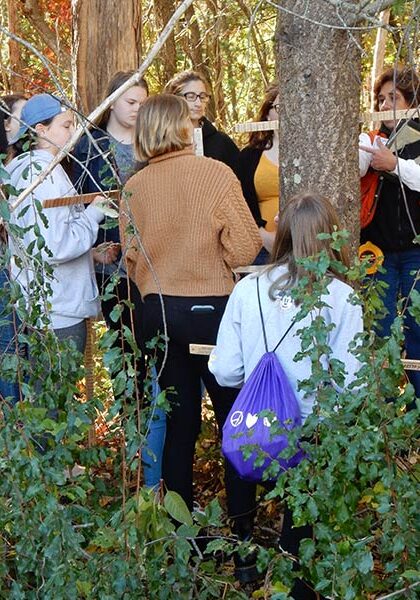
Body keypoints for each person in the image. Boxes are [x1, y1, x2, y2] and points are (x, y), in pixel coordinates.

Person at [120, 94, 261, 579]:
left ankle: (185, 548)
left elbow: (131, 257)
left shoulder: (134, 186)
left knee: (180, 427)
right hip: (213, 314)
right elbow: (244, 246)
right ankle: (245, 549)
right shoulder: (215, 174)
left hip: (157, 314)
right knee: (234, 422)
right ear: (181, 128)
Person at [209, 192, 363, 597]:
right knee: (304, 505)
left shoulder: (248, 290)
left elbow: (224, 371)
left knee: (241, 439)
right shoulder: (341, 297)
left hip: (258, 431)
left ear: (282, 236)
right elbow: (354, 385)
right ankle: (298, 578)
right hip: (309, 434)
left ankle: (243, 555)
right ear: (330, 237)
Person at [72, 72, 164, 487]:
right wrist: (92, 250)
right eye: (131, 102)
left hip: (153, 265)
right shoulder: (88, 148)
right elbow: (72, 207)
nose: (138, 109)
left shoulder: (153, 144)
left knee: (153, 350)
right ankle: (133, 438)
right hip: (111, 269)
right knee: (125, 353)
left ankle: (153, 441)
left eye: (144, 102)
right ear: (111, 103)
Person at [6, 93, 112, 357]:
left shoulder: (24, 169)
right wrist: (94, 213)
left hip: (44, 307)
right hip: (59, 313)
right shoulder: (42, 174)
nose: (73, 132)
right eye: (66, 126)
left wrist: (90, 255)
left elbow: (43, 239)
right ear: (41, 130)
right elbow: (55, 246)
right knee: (53, 393)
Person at [359, 66, 420, 398]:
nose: (384, 106)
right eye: (380, 99)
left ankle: (414, 418)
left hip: (415, 252)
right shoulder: (369, 140)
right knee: (378, 333)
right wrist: (371, 155)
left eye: (392, 98)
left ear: (411, 101)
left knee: (417, 331)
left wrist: (395, 164)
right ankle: (378, 414)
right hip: (376, 252)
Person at [164, 70, 239, 173]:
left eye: (203, 97)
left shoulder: (221, 142)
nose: (198, 103)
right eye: (191, 97)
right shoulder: (162, 142)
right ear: (174, 99)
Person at [237, 83, 280, 264]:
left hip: (307, 246)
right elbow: (239, 202)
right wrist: (262, 235)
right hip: (262, 248)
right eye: (279, 107)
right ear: (267, 112)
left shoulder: (315, 153)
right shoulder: (250, 156)